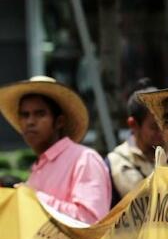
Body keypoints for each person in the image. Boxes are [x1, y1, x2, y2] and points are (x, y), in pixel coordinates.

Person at [0, 76, 111, 224]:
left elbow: (90, 221)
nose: (30, 122)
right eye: (24, 115)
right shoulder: (38, 167)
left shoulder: (84, 159)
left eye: (40, 114)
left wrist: (32, 198)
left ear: (59, 122)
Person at [106, 78, 163, 207]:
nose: (163, 132)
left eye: (166, 124)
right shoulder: (115, 163)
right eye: (154, 127)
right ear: (133, 124)